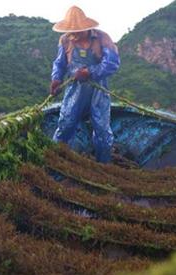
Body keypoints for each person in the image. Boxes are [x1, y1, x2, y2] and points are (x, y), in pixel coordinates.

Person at [50, 6, 120, 163]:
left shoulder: (102, 39)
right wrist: (56, 79)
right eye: (72, 30)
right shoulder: (65, 41)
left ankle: (103, 165)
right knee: (66, 123)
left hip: (98, 91)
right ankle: (56, 160)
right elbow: (60, 64)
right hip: (75, 90)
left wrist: (90, 72)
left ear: (86, 27)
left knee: (102, 129)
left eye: (78, 30)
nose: (75, 33)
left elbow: (112, 63)